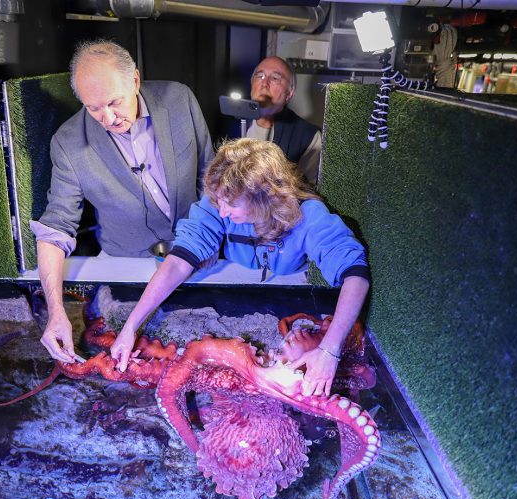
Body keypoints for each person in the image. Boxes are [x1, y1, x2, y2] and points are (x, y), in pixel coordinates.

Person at [111, 138, 370, 397]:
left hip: (290, 280)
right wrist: (130, 327)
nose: (222, 212)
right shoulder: (216, 205)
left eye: (232, 204)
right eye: (218, 201)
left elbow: (356, 276)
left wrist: (328, 350)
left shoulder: (309, 216)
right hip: (236, 273)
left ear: (265, 197)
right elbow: (178, 262)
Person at [32, 39, 214, 363]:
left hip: (201, 261)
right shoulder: (67, 143)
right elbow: (55, 227)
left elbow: (211, 177)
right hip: (128, 270)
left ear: (135, 80)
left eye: (114, 102)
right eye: (93, 108)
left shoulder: (180, 99)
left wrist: (212, 240)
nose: (108, 117)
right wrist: (55, 310)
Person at [247, 56, 321, 185]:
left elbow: (309, 192)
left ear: (289, 93)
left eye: (275, 78)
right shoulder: (231, 123)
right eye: (260, 76)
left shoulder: (308, 137)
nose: (264, 84)